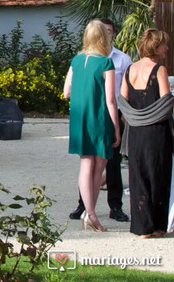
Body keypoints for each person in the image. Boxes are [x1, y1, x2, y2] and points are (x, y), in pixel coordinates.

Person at [69, 18, 131, 223]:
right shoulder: (106, 62)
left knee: (85, 165)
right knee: (99, 167)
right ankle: (91, 213)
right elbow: (111, 100)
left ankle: (88, 211)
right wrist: (116, 127)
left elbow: (66, 91)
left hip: (80, 118)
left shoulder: (76, 61)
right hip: (99, 118)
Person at [119, 29, 172, 238]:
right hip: (157, 132)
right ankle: (157, 227)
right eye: (164, 44)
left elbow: (123, 101)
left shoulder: (130, 70)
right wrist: (151, 116)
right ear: (155, 47)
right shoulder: (160, 70)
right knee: (158, 175)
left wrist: (136, 117)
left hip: (135, 132)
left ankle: (142, 227)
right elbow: (166, 102)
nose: (167, 48)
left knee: (138, 176)